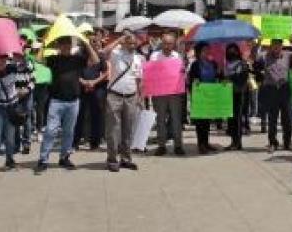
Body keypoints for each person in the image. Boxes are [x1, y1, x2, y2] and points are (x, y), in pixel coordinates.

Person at [36, 34, 100, 172]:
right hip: (56, 100)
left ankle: (64, 157)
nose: (66, 47)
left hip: (73, 101)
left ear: (71, 46)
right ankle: (43, 159)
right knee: (50, 131)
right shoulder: (54, 59)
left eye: (68, 44)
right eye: (63, 44)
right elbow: (38, 59)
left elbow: (95, 61)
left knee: (69, 132)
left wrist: (87, 44)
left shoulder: (77, 59)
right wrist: (45, 43)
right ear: (58, 46)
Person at [102, 34, 144, 171]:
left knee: (128, 129)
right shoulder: (116, 53)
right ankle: (112, 159)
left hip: (131, 97)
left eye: (134, 43)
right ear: (124, 43)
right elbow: (103, 53)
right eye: (130, 43)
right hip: (115, 95)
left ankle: (126, 158)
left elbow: (139, 79)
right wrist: (118, 40)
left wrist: (140, 96)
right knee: (113, 129)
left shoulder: (138, 58)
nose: (132, 46)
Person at [254, 39, 292, 153]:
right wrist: (257, 45)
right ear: (271, 46)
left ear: (282, 45)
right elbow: (255, 61)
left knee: (287, 118)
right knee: (272, 118)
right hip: (271, 89)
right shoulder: (264, 56)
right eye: (274, 45)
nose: (276, 47)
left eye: (279, 44)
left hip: (284, 89)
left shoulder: (288, 55)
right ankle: (272, 142)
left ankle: (288, 142)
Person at [150, 33, 186, 156]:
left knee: (176, 119)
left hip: (174, 92)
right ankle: (161, 146)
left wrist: (182, 71)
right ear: (162, 43)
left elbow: (181, 73)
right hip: (159, 93)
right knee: (160, 119)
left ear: (173, 44)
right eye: (165, 43)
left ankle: (178, 145)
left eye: (170, 43)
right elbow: (151, 73)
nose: (167, 46)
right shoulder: (154, 56)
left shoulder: (177, 56)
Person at [188, 43, 220, 154]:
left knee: (207, 121)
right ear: (198, 52)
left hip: (210, 96)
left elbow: (217, 77)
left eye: (207, 50)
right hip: (199, 96)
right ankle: (200, 144)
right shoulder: (195, 65)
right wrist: (194, 81)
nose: (206, 52)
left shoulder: (213, 63)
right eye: (203, 50)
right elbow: (191, 79)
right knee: (200, 122)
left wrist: (221, 78)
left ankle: (206, 143)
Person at [224, 43, 249, 151]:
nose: (232, 52)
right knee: (230, 119)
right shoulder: (226, 64)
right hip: (228, 94)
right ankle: (233, 141)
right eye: (230, 50)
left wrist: (230, 77)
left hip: (239, 94)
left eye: (234, 50)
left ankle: (238, 142)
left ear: (238, 52)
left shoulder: (242, 64)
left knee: (237, 119)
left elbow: (242, 78)